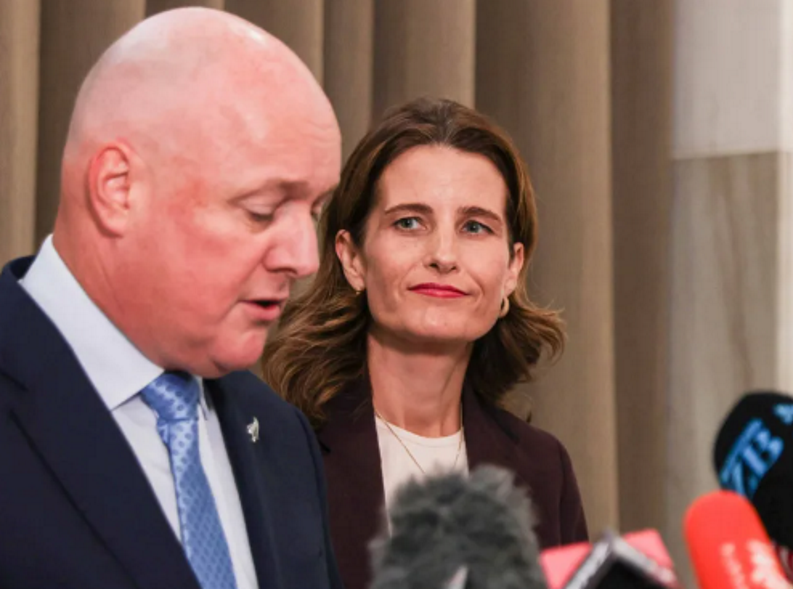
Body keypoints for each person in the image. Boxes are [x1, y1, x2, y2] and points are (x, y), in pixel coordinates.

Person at [0, 8, 344, 589]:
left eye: (311, 211)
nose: (304, 258)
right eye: (261, 210)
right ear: (118, 189)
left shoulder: (281, 436)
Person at [262, 97, 589, 589]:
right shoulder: (279, 453)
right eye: (409, 222)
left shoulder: (545, 469)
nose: (443, 255)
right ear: (353, 258)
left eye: (474, 227)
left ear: (512, 268)